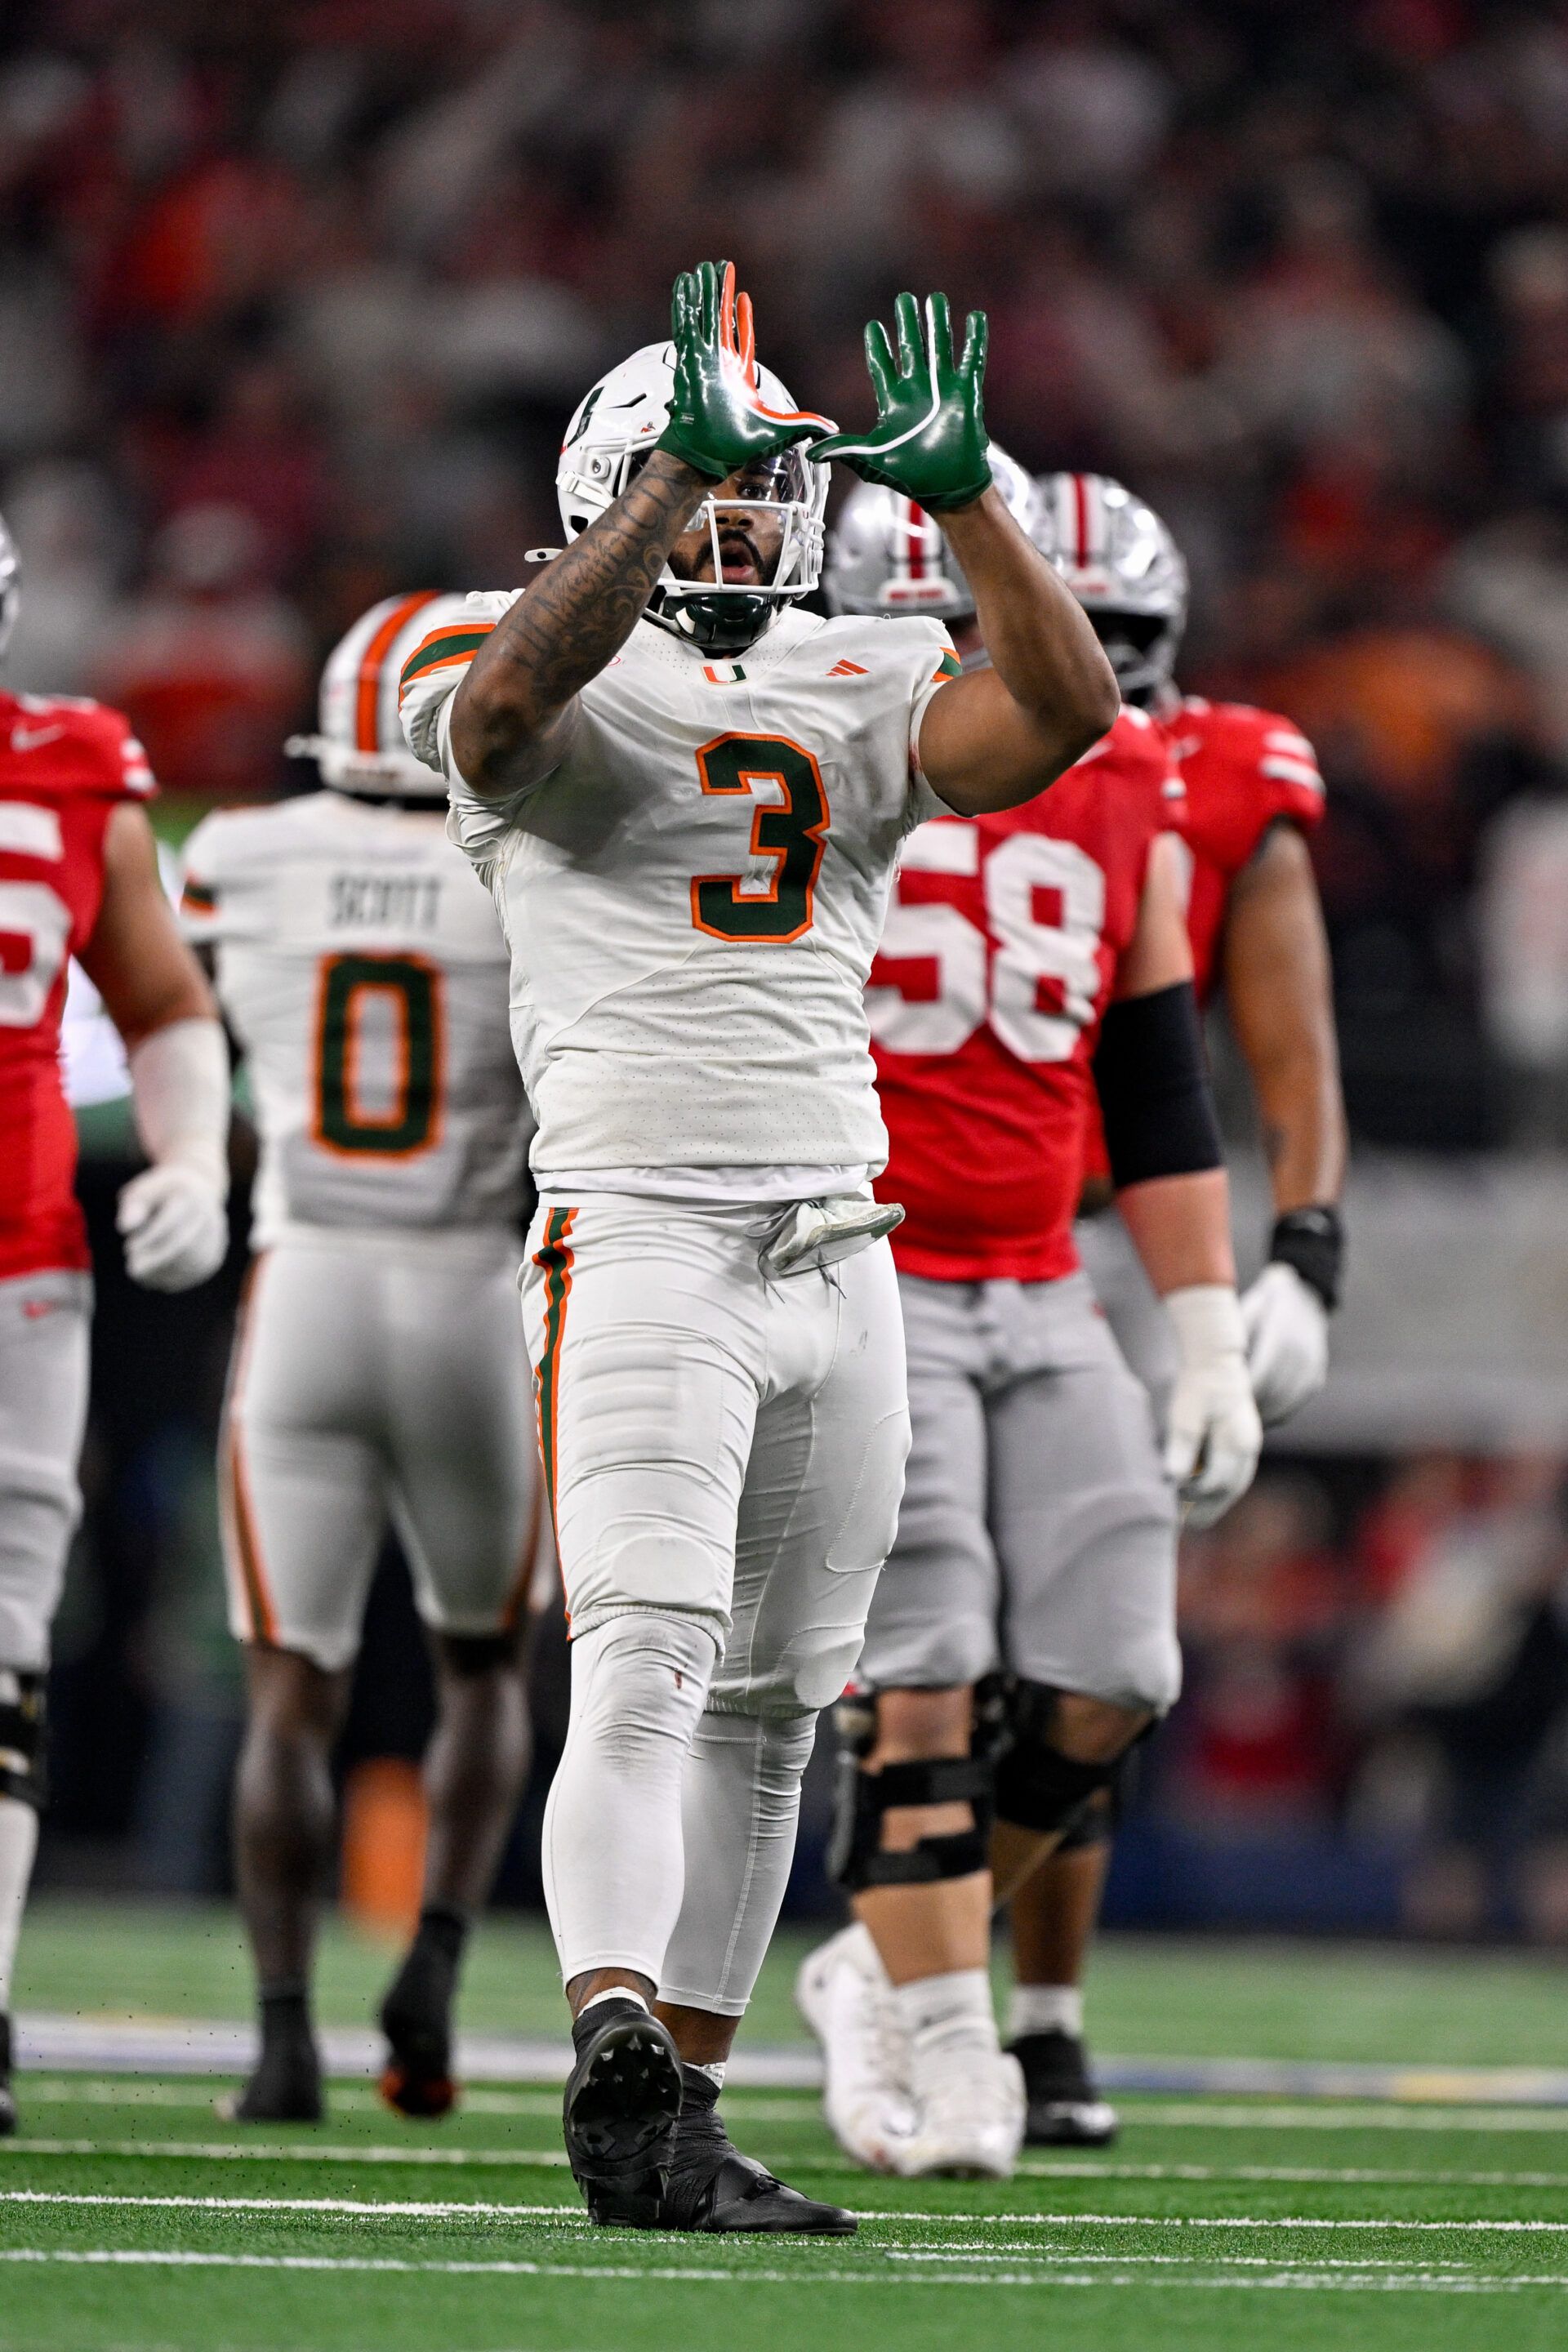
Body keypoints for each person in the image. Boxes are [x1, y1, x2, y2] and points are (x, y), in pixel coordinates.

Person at [399, 259, 1119, 2234]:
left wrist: (975, 503)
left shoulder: (861, 668)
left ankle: (680, 2112)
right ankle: (611, 2023)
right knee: (640, 1658)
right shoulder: (515, 637)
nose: (744, 513)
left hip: (840, 1244)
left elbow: (1066, 711)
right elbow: (505, 714)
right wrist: (650, 507)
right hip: (641, 1234)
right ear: (612, 479)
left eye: (754, 484)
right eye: (701, 479)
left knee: (782, 1702)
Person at [797, 469, 1261, 2177]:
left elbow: (1153, 1080)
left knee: (1117, 1672)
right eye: (928, 621)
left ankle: (874, 1967)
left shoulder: (1122, 771)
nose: (964, 653)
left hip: (1042, 1280)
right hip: (870, 1268)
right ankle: (953, 2050)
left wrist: (1204, 1325)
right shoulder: (815, 744)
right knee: (919, 1690)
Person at [1005, 475, 1346, 2148]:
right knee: (897, 1654)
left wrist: (1311, 1244)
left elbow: (1285, 1034)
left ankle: (1037, 2012)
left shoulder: (1216, 772)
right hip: (902, 1224)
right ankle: (898, 1967)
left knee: (1101, 1649)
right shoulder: (894, 725)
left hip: (1124, 1230)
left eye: (1120, 638)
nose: (1090, 667)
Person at [180, 595, 545, 2126]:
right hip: (470, 1291)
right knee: (481, 1673)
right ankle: (437, 1976)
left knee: (289, 1695)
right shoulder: (525, 873)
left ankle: (279, 2041)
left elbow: (171, 1044)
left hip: (307, 1284)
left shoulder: (235, 858)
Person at [0, 512, 231, 2137]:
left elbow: (161, 1007)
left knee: (7, 1654)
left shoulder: (75, 769)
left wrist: (198, 1151)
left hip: (25, 1266)